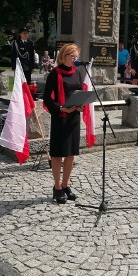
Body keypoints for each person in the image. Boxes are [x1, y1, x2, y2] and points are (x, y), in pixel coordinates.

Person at [43, 43, 85, 204]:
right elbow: (47, 98)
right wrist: (60, 108)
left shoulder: (77, 72)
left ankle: (66, 184)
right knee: (58, 153)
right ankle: (57, 186)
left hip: (74, 117)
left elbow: (80, 92)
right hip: (60, 117)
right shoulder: (55, 73)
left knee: (70, 153)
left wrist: (82, 104)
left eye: (76, 57)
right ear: (63, 56)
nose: (74, 59)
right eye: (72, 56)